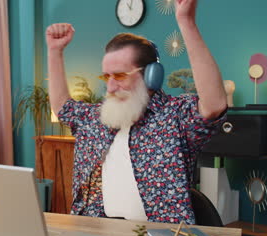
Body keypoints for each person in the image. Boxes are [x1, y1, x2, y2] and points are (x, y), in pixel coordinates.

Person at [45, 0, 227, 224]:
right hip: (95, 234)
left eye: (120, 76)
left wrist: (186, 22)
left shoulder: (175, 117)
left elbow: (214, 104)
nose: (110, 87)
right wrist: (55, 51)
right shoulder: (96, 118)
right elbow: (63, 107)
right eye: (106, 76)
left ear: (152, 76)